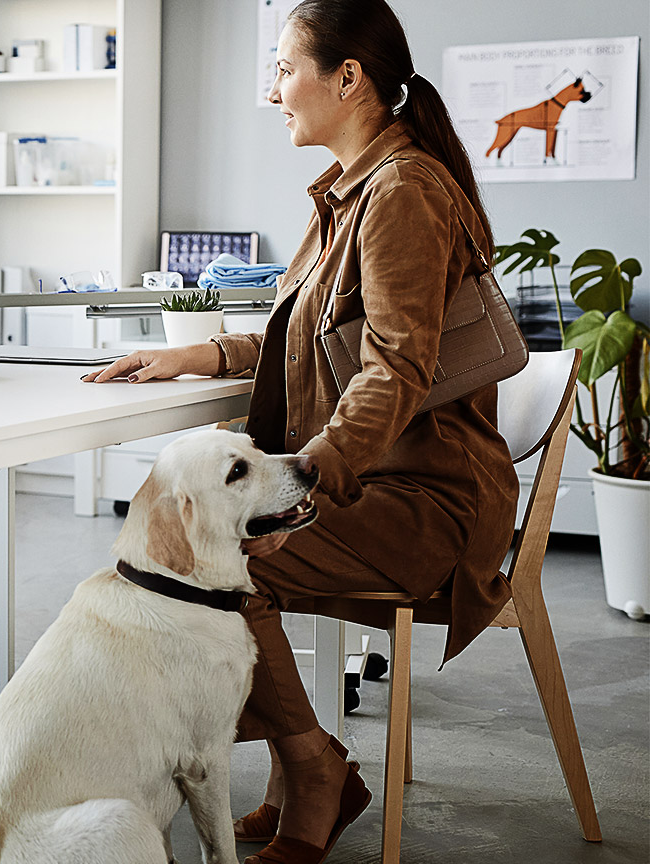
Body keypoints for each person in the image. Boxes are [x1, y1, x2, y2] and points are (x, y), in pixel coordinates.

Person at [82, 2, 517, 862]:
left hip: (427, 499)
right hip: (380, 479)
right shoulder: (351, 190)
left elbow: (394, 369)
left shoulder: (401, 191)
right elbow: (318, 334)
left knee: (214, 564)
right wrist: (205, 354)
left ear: (347, 78)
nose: (272, 88)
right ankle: (302, 761)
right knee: (204, 557)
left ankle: (312, 769)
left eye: (285, 68)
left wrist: (300, 484)